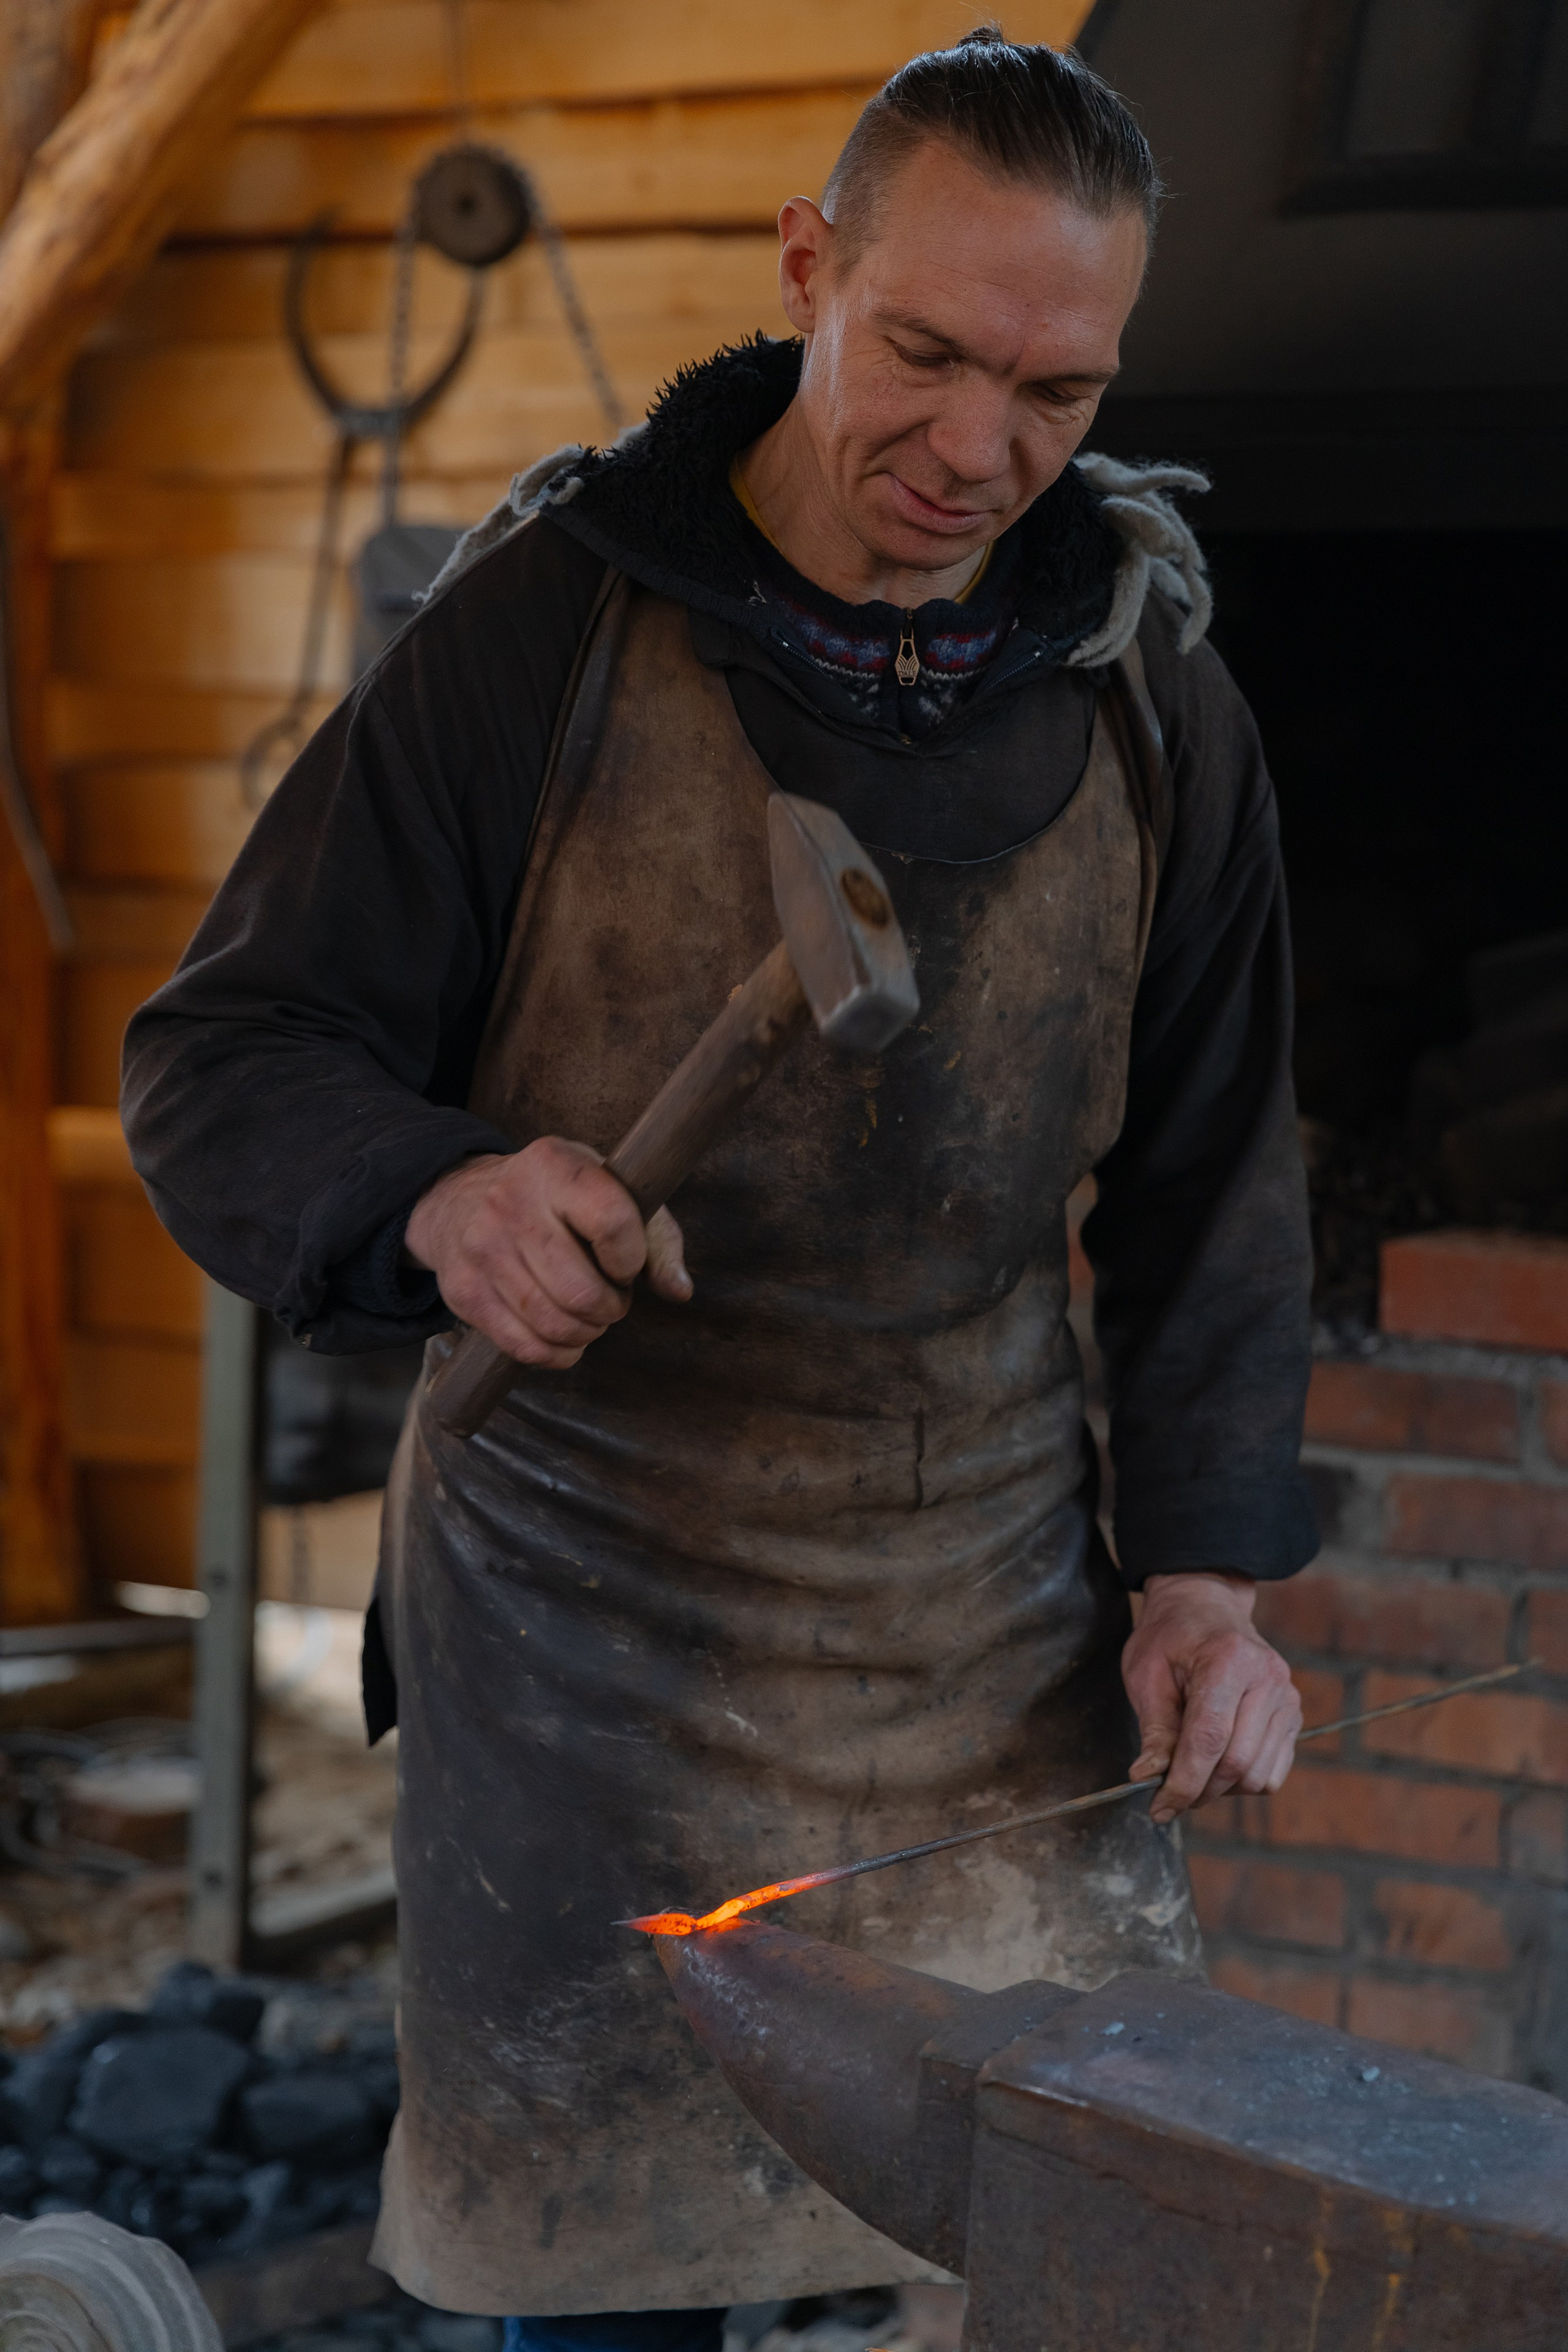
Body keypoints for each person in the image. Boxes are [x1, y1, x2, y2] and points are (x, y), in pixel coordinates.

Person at [122, 26, 1317, 2346]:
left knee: (1071, 2254)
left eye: (1057, 393)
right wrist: (443, 1194)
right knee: (601, 2292)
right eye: (928, 351)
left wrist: (1203, 1587)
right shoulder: (537, 636)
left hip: (989, 1641)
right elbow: (228, 1055)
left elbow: (1211, 1174)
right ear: (809, 269)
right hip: (590, 1645)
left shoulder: (1152, 687)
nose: (981, 450)